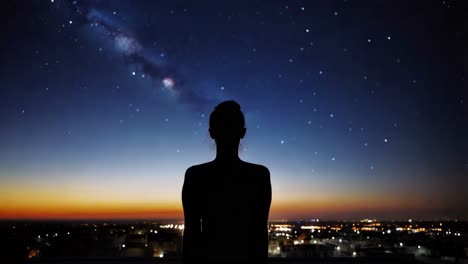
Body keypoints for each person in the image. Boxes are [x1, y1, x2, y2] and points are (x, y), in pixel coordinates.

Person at [182, 100, 272, 263]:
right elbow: (260, 232)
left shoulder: (196, 175)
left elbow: (191, 233)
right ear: (243, 132)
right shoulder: (259, 175)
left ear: (211, 133)